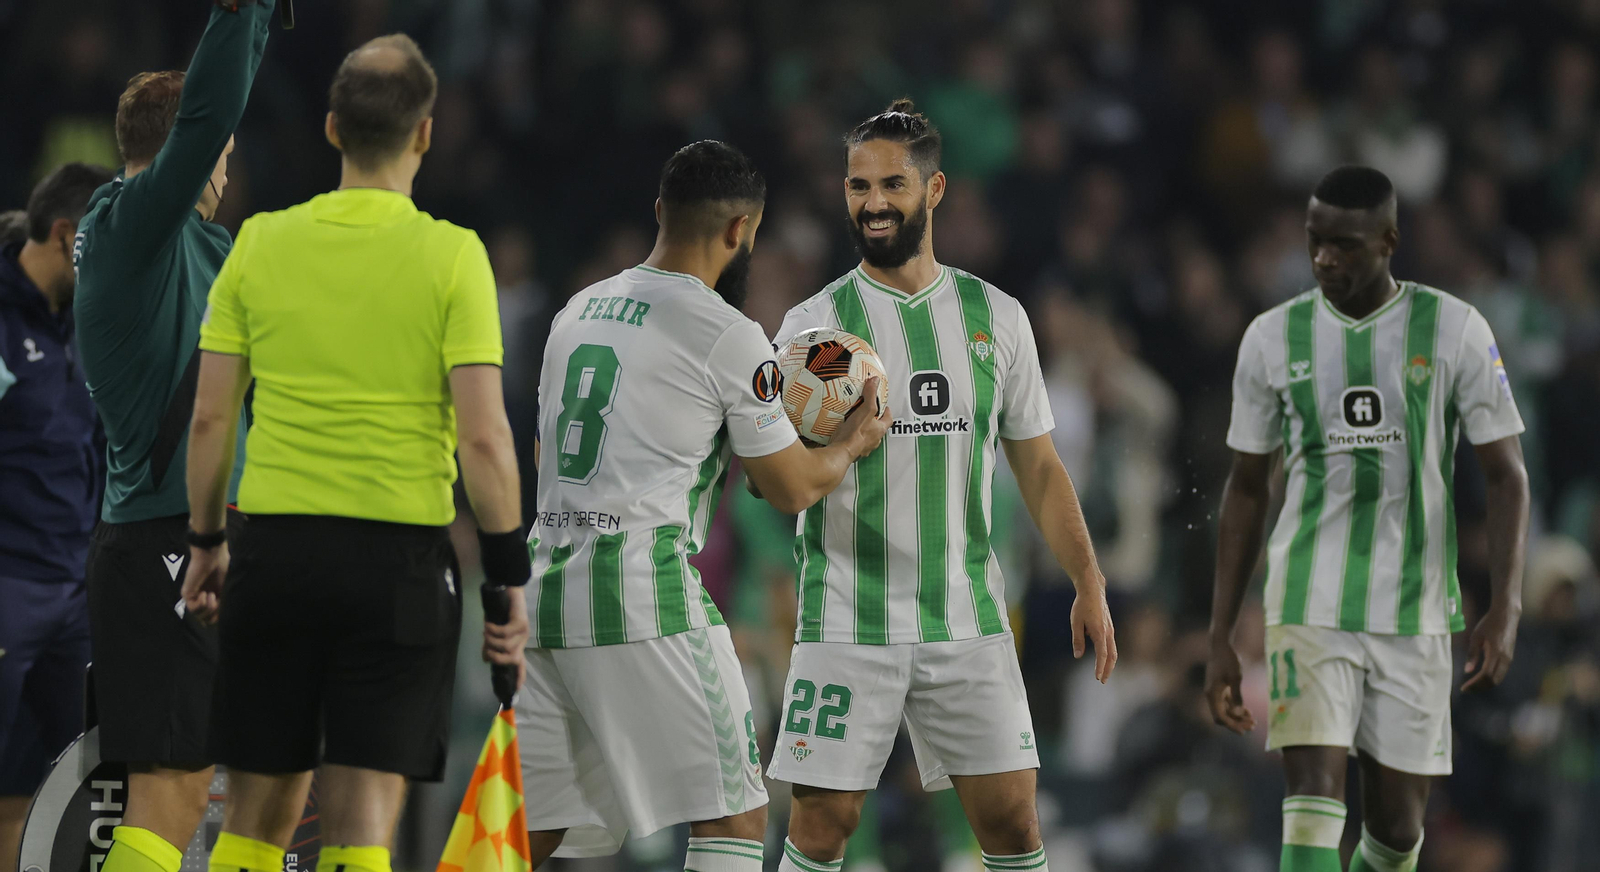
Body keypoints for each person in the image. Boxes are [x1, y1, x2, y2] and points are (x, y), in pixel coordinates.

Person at [179, 33, 530, 872]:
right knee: (362, 818)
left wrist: (205, 544)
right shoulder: (455, 257)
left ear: (333, 129)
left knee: (256, 815)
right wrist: (505, 579)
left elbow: (210, 421)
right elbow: (484, 439)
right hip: (399, 568)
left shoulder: (260, 243)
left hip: (274, 553)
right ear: (426, 134)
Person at [764, 100, 1117, 872]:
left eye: (893, 183)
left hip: (965, 616)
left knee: (1016, 823)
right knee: (821, 826)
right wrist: (834, 440)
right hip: (847, 619)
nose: (874, 202)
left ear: (936, 190)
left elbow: (1040, 466)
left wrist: (1087, 576)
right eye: (859, 186)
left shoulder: (997, 317)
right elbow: (772, 480)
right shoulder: (813, 327)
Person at [519, 140, 891, 872]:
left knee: (529, 835)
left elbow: (556, 457)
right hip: (641, 592)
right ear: (741, 230)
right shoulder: (728, 335)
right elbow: (788, 487)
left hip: (544, 597)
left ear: (660, 212)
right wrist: (852, 441)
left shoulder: (575, 314)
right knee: (734, 815)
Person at [1204, 166, 1531, 872]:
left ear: (1389, 241)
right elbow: (1247, 489)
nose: (1324, 259)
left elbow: (1507, 477)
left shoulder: (1453, 328)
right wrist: (1222, 630)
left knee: (1397, 831)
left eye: (1345, 246)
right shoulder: (1271, 338)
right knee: (1314, 800)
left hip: (1415, 611)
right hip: (1309, 598)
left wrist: (1506, 604)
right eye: (1315, 241)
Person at [70, 2, 275, 870]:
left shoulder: (207, 249)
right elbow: (211, 113)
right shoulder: (130, 229)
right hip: (159, 539)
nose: (226, 171)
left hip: (211, 537)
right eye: (221, 154)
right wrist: (248, 9)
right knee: (174, 791)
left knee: (251, 786)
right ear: (189, 147)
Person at [0, 162, 114, 872]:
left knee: (47, 787)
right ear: (68, 235)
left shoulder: (83, 328)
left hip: (74, 593)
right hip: (7, 584)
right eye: (101, 246)